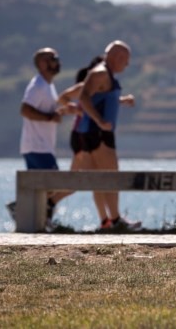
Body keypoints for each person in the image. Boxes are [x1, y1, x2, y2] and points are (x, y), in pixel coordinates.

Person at [9, 48, 78, 228]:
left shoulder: (48, 86)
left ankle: (37, 218)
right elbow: (25, 110)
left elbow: (45, 111)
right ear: (42, 64)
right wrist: (49, 117)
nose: (58, 62)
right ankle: (25, 210)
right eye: (53, 58)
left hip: (40, 146)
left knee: (44, 187)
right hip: (37, 146)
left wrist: (59, 112)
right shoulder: (37, 86)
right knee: (52, 184)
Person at [76, 40, 140, 231]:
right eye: (125, 60)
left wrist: (122, 101)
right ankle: (116, 219)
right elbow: (83, 97)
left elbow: (102, 98)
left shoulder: (106, 74)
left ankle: (108, 221)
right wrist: (99, 121)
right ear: (117, 57)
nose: (127, 65)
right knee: (111, 175)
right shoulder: (101, 73)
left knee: (100, 177)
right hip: (99, 133)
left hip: (96, 132)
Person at [56, 55, 105, 225]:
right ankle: (48, 203)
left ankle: (106, 220)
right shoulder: (86, 86)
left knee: (95, 179)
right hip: (80, 136)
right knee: (78, 180)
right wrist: (76, 109)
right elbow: (62, 97)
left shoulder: (103, 88)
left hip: (90, 136)